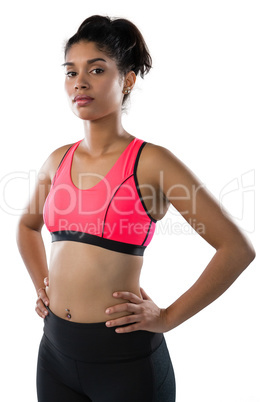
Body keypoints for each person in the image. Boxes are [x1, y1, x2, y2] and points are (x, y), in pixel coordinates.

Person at [16, 15, 255, 402]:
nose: (80, 81)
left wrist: (167, 318)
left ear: (127, 79)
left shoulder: (152, 163)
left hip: (125, 365)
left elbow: (237, 249)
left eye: (96, 69)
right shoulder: (56, 160)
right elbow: (26, 227)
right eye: (71, 71)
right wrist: (40, 284)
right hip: (55, 357)